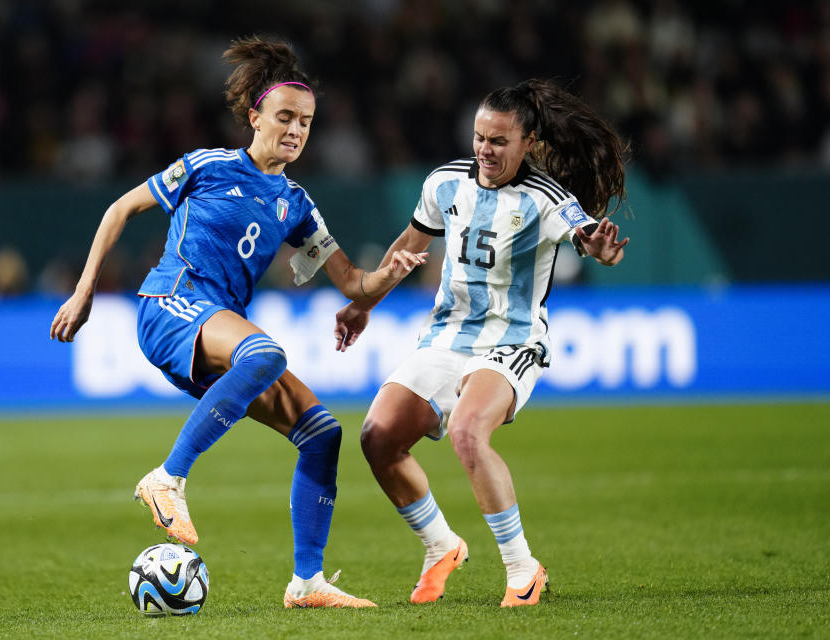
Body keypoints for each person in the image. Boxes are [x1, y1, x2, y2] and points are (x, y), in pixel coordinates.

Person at [49, 36, 426, 609]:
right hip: (171, 304)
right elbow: (120, 208)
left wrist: (391, 273)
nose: (297, 130)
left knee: (323, 435)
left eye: (306, 121)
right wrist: (85, 291)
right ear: (255, 117)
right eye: (285, 117)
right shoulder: (206, 165)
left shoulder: (296, 204)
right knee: (266, 353)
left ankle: (307, 583)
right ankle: (167, 478)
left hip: (217, 327)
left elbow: (354, 284)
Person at [333, 79, 629, 608]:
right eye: (479, 137)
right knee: (377, 436)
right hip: (447, 334)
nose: (485, 150)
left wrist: (603, 251)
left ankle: (523, 569)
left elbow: (587, 237)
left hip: (512, 340)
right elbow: (410, 244)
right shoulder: (445, 183)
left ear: (529, 142)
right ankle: (440, 545)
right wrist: (364, 302)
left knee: (469, 431)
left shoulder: (547, 198)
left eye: (498, 141)